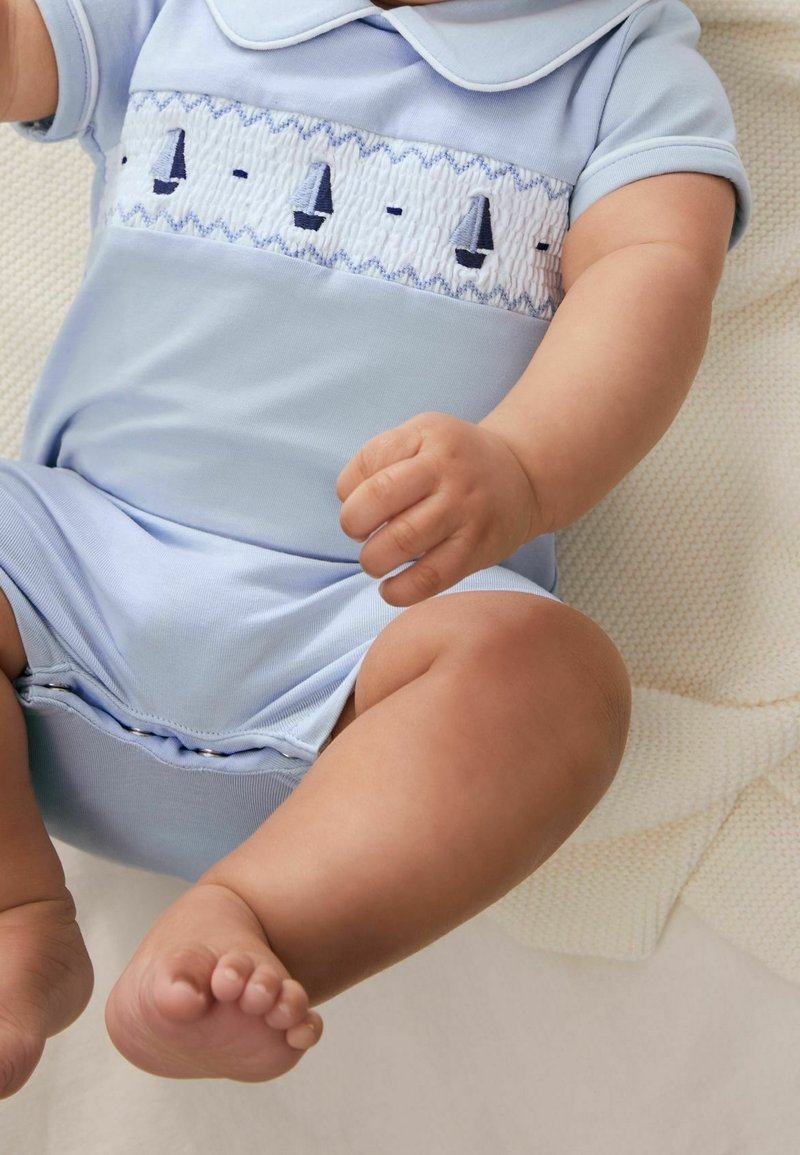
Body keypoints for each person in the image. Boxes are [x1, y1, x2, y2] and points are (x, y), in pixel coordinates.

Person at [0, 0, 751, 1096]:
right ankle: (19, 912)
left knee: (555, 681)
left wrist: (523, 468)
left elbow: (650, 279)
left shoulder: (622, 68)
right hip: (70, 575)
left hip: (367, 658)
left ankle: (253, 920)